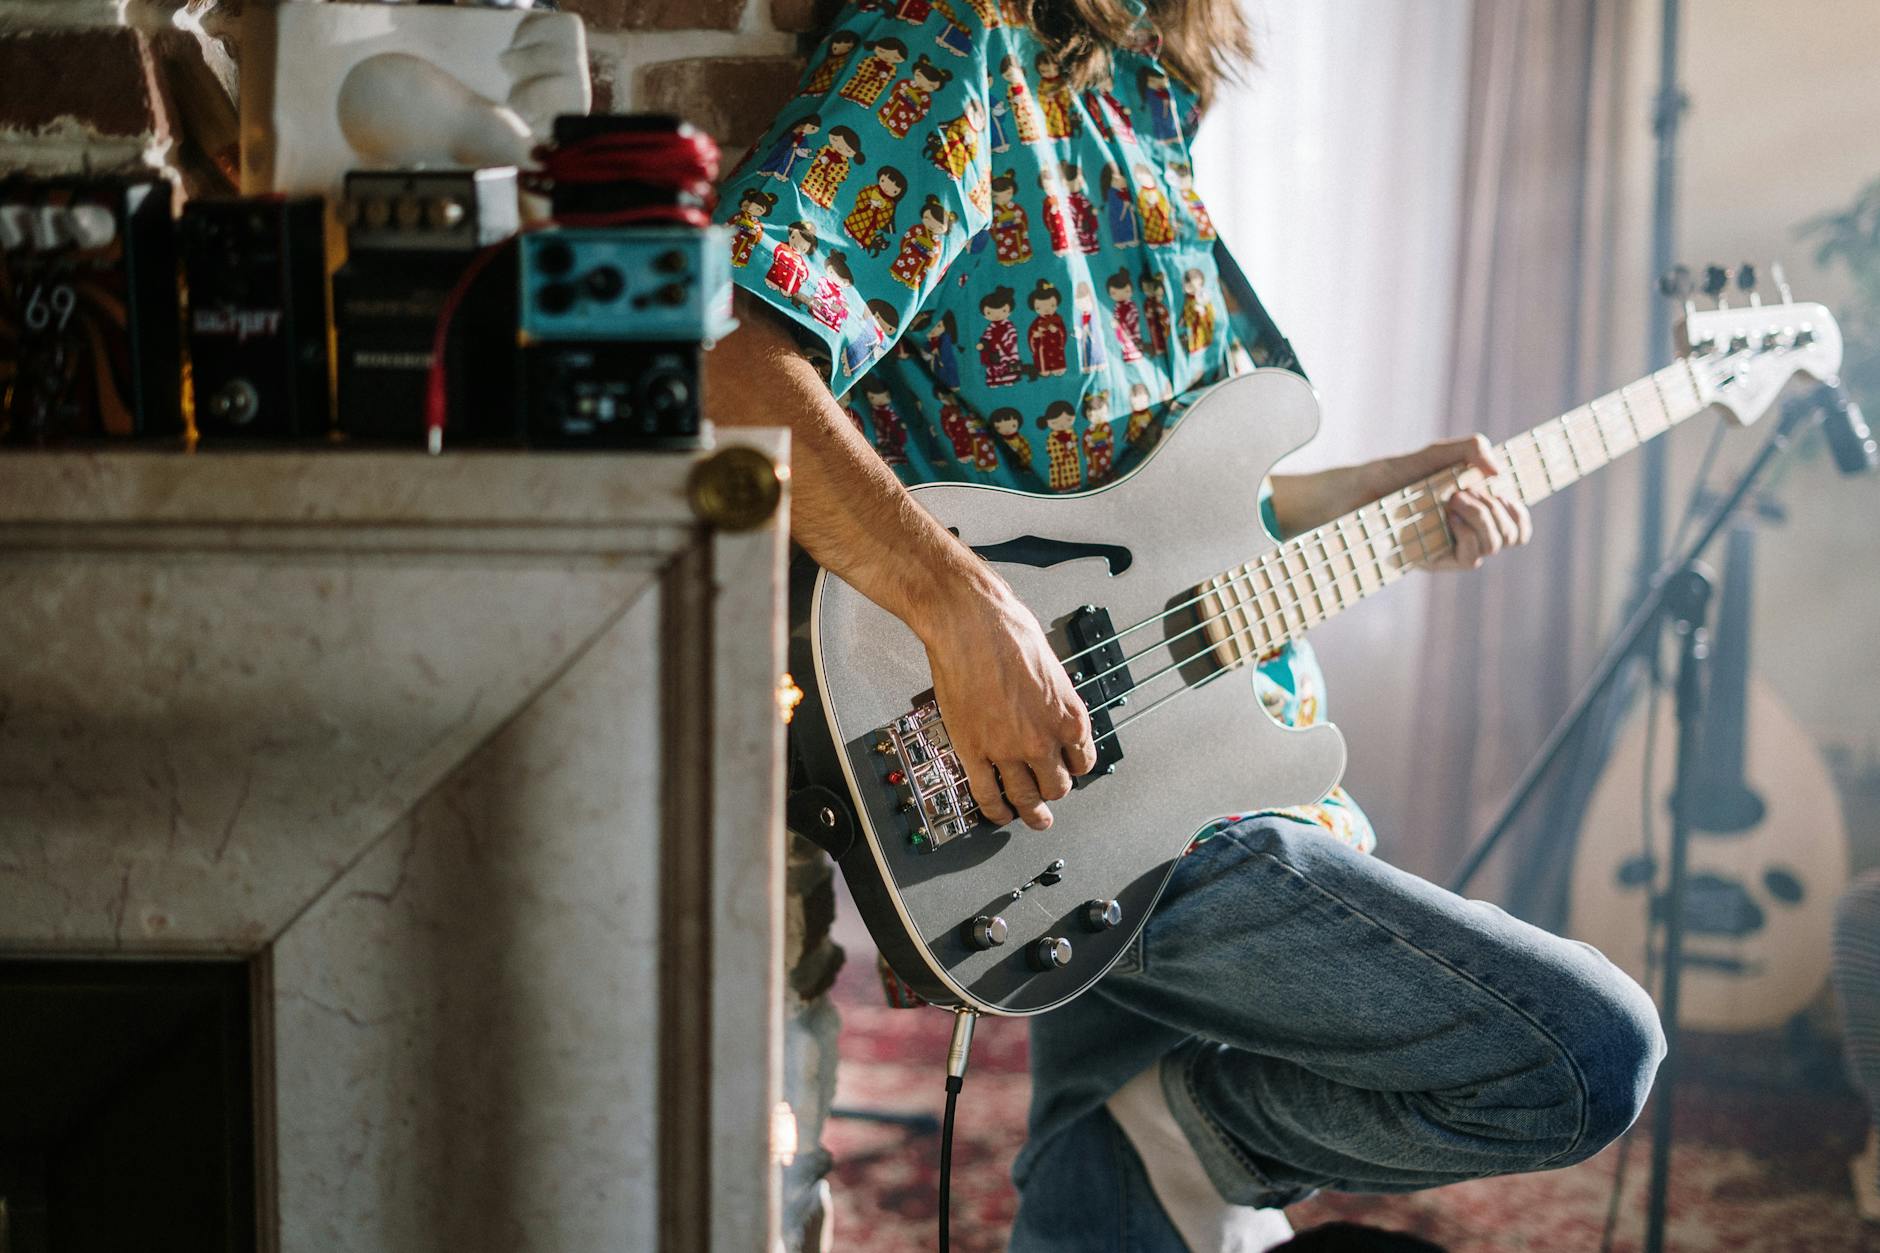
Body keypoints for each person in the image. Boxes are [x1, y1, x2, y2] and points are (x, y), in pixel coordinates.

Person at [704, 2, 1665, 1248]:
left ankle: (1144, 1151)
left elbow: (1183, 498)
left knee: (1116, 1203)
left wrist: (1377, 494)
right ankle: (1180, 1140)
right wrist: (962, 606)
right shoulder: (949, 38)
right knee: (1580, 1051)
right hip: (1078, 777)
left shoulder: (1144, 99)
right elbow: (731, 365)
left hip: (1200, 732)